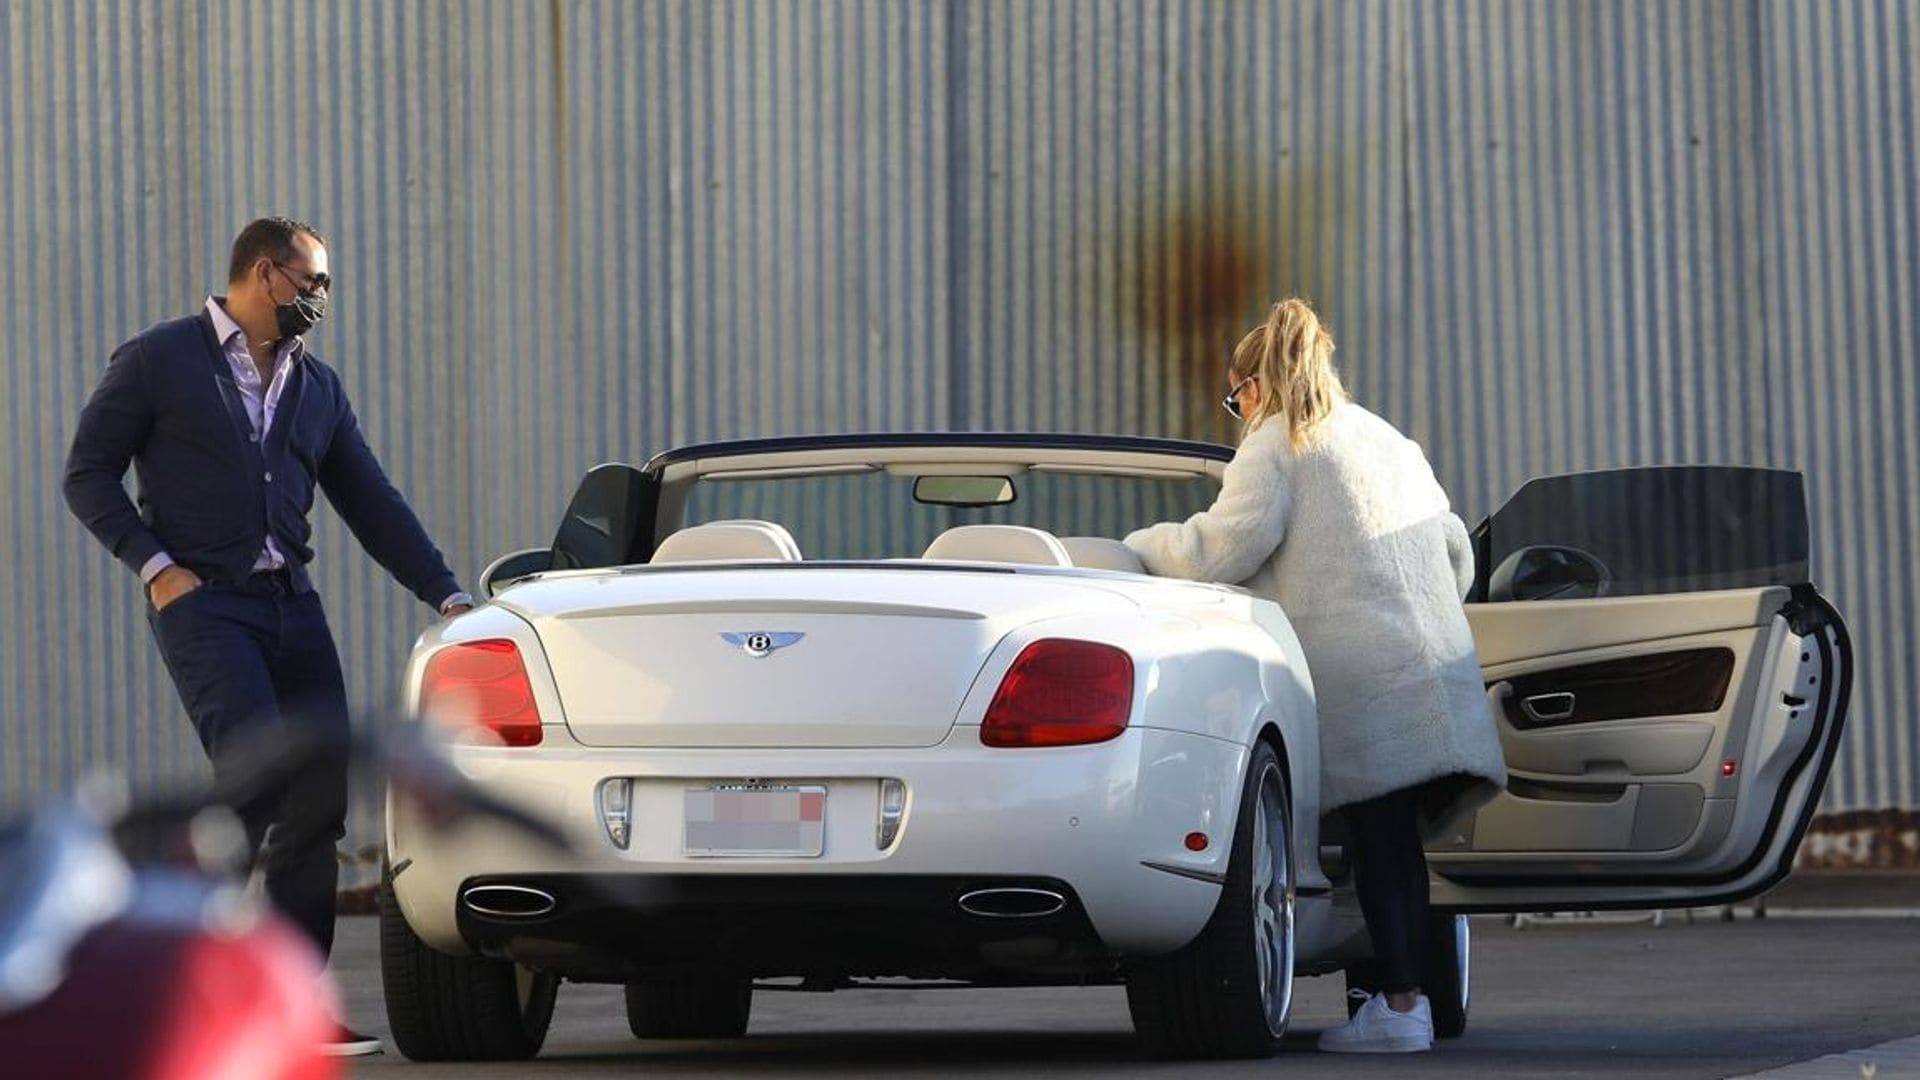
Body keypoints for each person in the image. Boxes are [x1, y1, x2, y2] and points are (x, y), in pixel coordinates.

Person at [63, 216, 475, 1058]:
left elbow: (372, 501)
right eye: (312, 283)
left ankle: (294, 1008)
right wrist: (156, 568)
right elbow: (87, 473)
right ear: (264, 273)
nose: (322, 299)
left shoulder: (315, 387)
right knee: (250, 789)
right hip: (205, 608)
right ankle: (169, 996)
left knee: (318, 800)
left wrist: (448, 594)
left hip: (294, 608)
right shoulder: (160, 359)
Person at [1123, 298, 1505, 1054]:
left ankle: (1399, 1010)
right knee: (1397, 846)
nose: (1237, 413)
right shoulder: (1391, 442)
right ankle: (1403, 1001)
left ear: (1255, 387)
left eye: (1235, 399)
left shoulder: (1277, 443)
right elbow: (1458, 553)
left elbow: (1219, 551)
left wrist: (1140, 546)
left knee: (1380, 845)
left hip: (1365, 689)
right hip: (1435, 677)